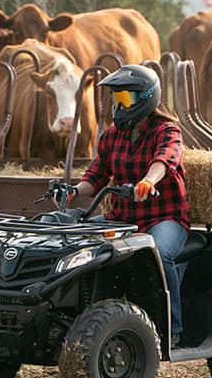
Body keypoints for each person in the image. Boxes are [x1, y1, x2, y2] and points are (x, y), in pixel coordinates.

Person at [72, 64, 189, 348]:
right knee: (75, 239)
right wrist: (72, 191)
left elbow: (166, 159)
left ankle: (172, 328)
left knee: (159, 252)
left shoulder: (167, 130)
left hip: (165, 218)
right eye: (115, 99)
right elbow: (96, 176)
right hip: (122, 218)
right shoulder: (113, 135)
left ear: (147, 97)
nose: (119, 106)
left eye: (126, 99)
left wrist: (149, 180)